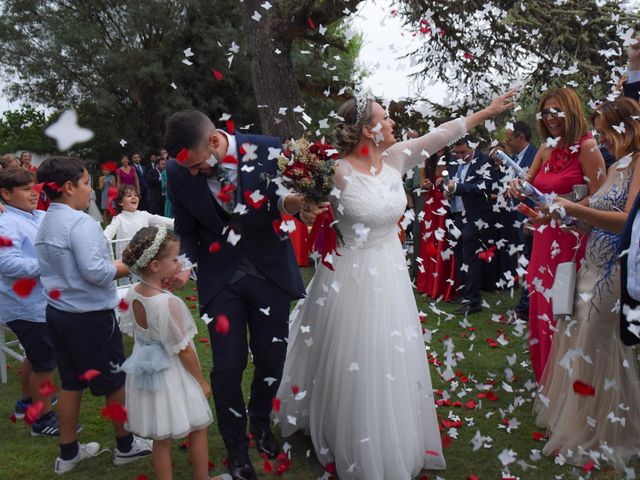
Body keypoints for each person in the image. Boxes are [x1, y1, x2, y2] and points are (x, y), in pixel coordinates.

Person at [274, 92, 515, 480]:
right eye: (384, 119)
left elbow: (439, 135)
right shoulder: (336, 171)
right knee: (355, 351)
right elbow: (293, 199)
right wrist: (299, 206)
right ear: (368, 130)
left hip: (390, 272)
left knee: (389, 350)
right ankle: (350, 430)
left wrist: (485, 112)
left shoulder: (397, 157)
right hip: (349, 274)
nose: (391, 124)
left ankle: (390, 426)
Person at [163, 110, 316, 480]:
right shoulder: (177, 170)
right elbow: (186, 228)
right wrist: (185, 262)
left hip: (270, 274)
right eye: (190, 169)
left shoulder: (270, 150)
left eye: (199, 165)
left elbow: (285, 200)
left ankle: (261, 425)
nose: (195, 173)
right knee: (227, 367)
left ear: (215, 140)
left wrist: (295, 205)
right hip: (221, 281)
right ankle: (235, 447)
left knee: (270, 359)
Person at [534, 97, 640, 471]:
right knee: (577, 339)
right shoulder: (619, 165)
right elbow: (593, 209)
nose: (601, 138)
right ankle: (582, 425)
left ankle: (607, 433)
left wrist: (575, 209)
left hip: (613, 267)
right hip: (590, 262)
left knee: (596, 343)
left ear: (628, 126)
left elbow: (626, 220)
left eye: (606, 130)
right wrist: (556, 212)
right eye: (597, 130)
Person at [34, 156, 152, 474]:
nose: (91, 190)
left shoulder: (44, 220)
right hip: (89, 316)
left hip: (59, 313)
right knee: (114, 380)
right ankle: (125, 446)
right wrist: (136, 261)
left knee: (71, 382)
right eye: (87, 183)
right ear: (69, 187)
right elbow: (97, 273)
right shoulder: (80, 222)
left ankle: (69, 452)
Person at [509, 87, 606, 382]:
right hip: (542, 237)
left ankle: (568, 383)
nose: (550, 117)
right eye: (546, 112)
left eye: (556, 111)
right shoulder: (546, 147)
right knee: (540, 305)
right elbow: (528, 181)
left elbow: (601, 197)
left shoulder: (589, 148)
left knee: (563, 307)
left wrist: (567, 207)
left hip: (570, 239)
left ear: (571, 110)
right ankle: (546, 380)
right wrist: (515, 186)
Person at [119, 226, 221, 480]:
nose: (179, 263)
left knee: (160, 438)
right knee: (198, 427)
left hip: (147, 373)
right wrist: (200, 381)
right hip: (172, 374)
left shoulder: (133, 293)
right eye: (174, 259)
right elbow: (184, 350)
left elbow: (134, 329)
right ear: (155, 265)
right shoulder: (169, 303)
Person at [0, 167, 58, 436]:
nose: (33, 194)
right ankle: (43, 418)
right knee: (45, 361)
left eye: (33, 187)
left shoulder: (36, 215)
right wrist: (48, 265)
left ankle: (27, 403)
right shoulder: (6, 223)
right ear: (5, 194)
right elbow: (7, 263)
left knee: (34, 357)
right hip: (24, 305)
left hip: (37, 302)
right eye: (25, 189)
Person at [445, 137, 494, 314]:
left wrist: (458, 188)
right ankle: (464, 292)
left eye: (463, 152)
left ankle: (473, 301)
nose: (459, 156)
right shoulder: (452, 162)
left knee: (470, 257)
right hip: (455, 215)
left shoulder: (484, 161)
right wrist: (448, 192)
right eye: (456, 152)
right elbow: (450, 184)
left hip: (474, 216)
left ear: (471, 147)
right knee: (458, 255)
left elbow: (484, 187)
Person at [505, 121, 538, 320]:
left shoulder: (534, 155)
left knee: (529, 259)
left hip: (529, 217)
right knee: (524, 259)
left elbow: (536, 189)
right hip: (516, 215)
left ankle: (525, 307)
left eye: (509, 138)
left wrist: (530, 218)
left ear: (521, 137)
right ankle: (527, 303)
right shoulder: (514, 158)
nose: (506, 142)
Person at [416, 147, 457, 301]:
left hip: (445, 204)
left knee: (442, 243)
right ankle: (427, 285)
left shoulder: (452, 159)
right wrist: (426, 185)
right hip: (431, 204)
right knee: (429, 243)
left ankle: (439, 286)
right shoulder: (428, 160)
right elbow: (422, 188)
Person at [103, 185, 174, 260]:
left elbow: (164, 221)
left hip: (143, 257)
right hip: (126, 259)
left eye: (135, 195)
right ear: (121, 202)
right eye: (129, 195)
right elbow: (109, 232)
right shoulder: (119, 219)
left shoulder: (144, 215)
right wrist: (104, 238)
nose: (134, 197)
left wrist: (178, 222)